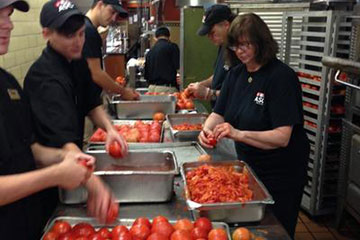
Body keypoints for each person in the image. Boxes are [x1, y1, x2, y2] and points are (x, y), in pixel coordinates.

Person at [199, 13, 309, 238]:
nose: (240, 50)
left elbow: (282, 137)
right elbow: (218, 112)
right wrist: (206, 129)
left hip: (281, 173)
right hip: (250, 168)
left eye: (246, 44)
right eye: (236, 45)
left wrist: (238, 134)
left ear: (261, 42)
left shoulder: (281, 77)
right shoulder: (236, 74)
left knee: (275, 229)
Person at [24, 0, 127, 224]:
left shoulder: (75, 61)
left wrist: (110, 129)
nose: (78, 41)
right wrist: (95, 186)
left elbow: (91, 103)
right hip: (50, 182)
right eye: (69, 35)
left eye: (81, 34)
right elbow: (64, 143)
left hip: (71, 167)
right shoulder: (45, 79)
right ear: (46, 34)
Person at [0, 1, 97, 239]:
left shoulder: (7, 83)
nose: (9, 25)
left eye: (8, 15)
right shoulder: (43, 77)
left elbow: (28, 147)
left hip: (28, 223)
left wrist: (64, 157)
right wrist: (55, 175)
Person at [84, 0, 139, 99]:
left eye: (116, 14)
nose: (114, 18)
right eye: (112, 12)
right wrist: (123, 92)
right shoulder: (88, 31)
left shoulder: (86, 27)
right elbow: (96, 73)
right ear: (100, 4)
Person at [186, 4, 237, 107]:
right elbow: (220, 75)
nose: (210, 37)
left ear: (226, 25)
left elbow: (240, 93)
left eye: (212, 32)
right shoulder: (223, 46)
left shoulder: (239, 52)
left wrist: (208, 93)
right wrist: (202, 84)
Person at [144, 26, 180, 93]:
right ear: (169, 36)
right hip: (166, 89)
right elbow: (178, 67)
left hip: (151, 89)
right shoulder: (172, 47)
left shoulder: (150, 51)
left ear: (156, 37)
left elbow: (146, 74)